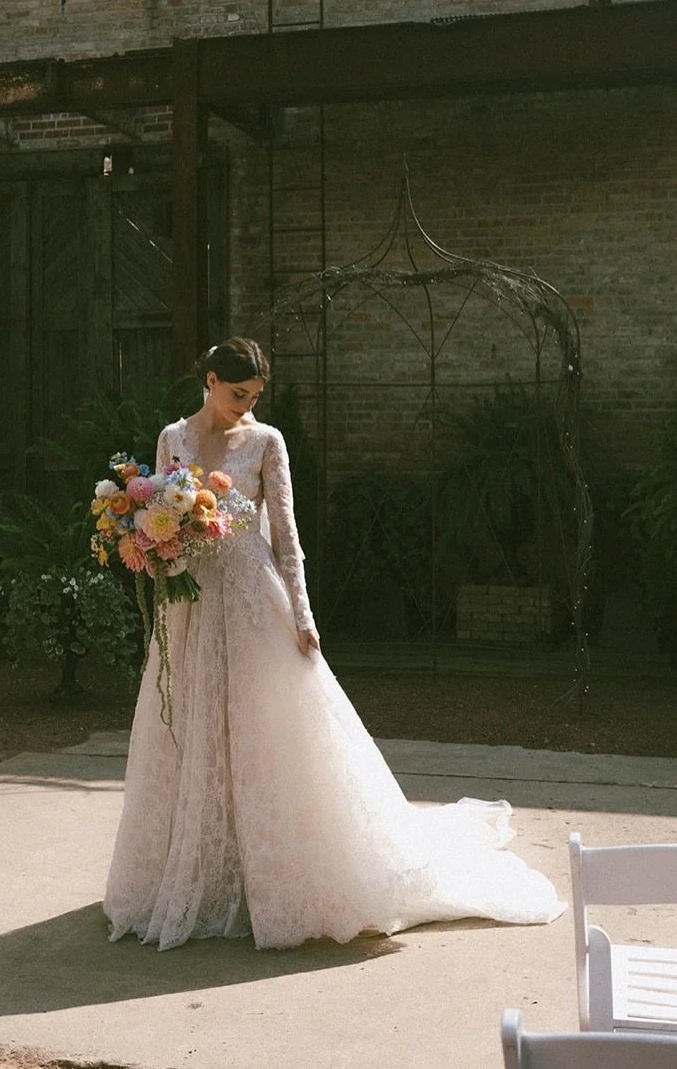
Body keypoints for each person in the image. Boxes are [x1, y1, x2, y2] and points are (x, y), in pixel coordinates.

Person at [103, 336, 564, 951]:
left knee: (263, 733)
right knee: (195, 729)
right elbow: (163, 511)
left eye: (255, 396)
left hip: (252, 598)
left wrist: (303, 615)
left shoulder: (268, 442)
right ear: (210, 381)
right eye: (238, 393)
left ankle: (271, 877)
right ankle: (204, 874)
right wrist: (156, 547)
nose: (247, 405)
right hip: (192, 603)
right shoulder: (173, 438)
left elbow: (286, 535)